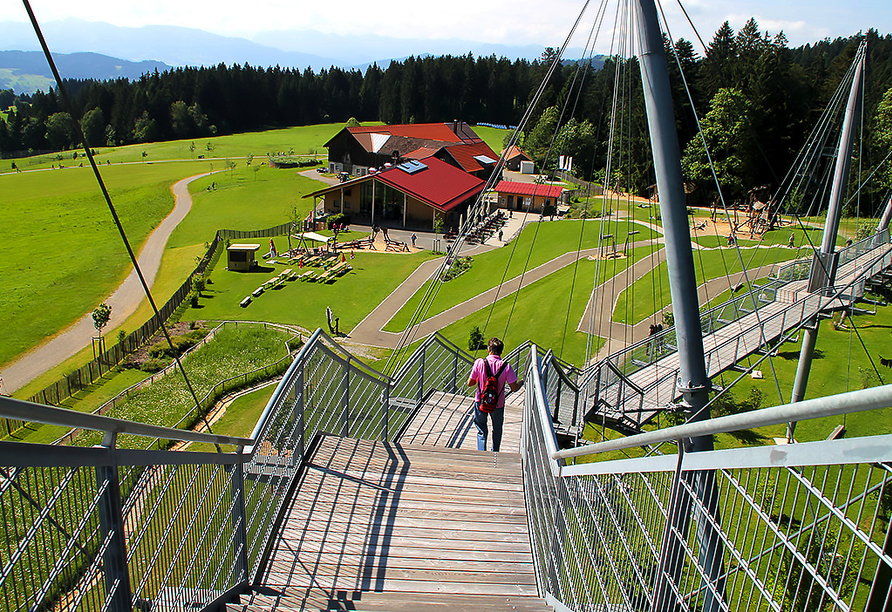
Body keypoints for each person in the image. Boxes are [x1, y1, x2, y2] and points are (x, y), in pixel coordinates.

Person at [467, 337, 523, 452]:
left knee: (481, 429)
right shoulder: (506, 366)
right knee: (497, 429)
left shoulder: (479, 362)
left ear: (489, 349)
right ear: (501, 351)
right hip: (498, 403)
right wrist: (522, 382)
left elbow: (470, 383)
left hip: (481, 401)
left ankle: (482, 452)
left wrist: (481, 379)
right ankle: (495, 452)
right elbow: (514, 388)